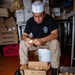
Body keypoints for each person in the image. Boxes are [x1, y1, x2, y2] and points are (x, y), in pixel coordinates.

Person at [15, 1, 61, 75]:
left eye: (40, 16)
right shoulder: (30, 21)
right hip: (35, 42)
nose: (37, 19)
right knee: (23, 43)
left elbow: (55, 34)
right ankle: (23, 68)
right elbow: (24, 35)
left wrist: (41, 39)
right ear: (33, 14)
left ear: (44, 14)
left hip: (47, 42)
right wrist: (27, 39)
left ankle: (54, 69)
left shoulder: (49, 19)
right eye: (35, 16)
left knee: (55, 42)